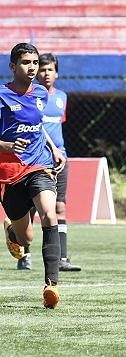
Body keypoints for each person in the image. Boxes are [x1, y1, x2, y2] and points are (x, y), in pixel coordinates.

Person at [0, 43, 64, 308]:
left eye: (35, 63)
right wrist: (4, 146)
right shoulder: (1, 96)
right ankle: (12, 233)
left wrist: (53, 148)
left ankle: (51, 286)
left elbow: (37, 126)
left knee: (50, 213)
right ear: (13, 66)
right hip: (9, 173)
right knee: (26, 238)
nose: (32, 68)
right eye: (26, 63)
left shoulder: (40, 93)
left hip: (38, 165)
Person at [17, 52, 81, 272]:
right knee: (33, 210)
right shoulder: (31, 96)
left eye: (50, 69)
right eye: (42, 69)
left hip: (60, 158)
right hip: (37, 158)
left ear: (56, 73)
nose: (45, 73)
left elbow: (57, 125)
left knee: (60, 207)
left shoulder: (62, 97)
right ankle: (24, 254)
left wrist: (58, 151)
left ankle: (62, 258)